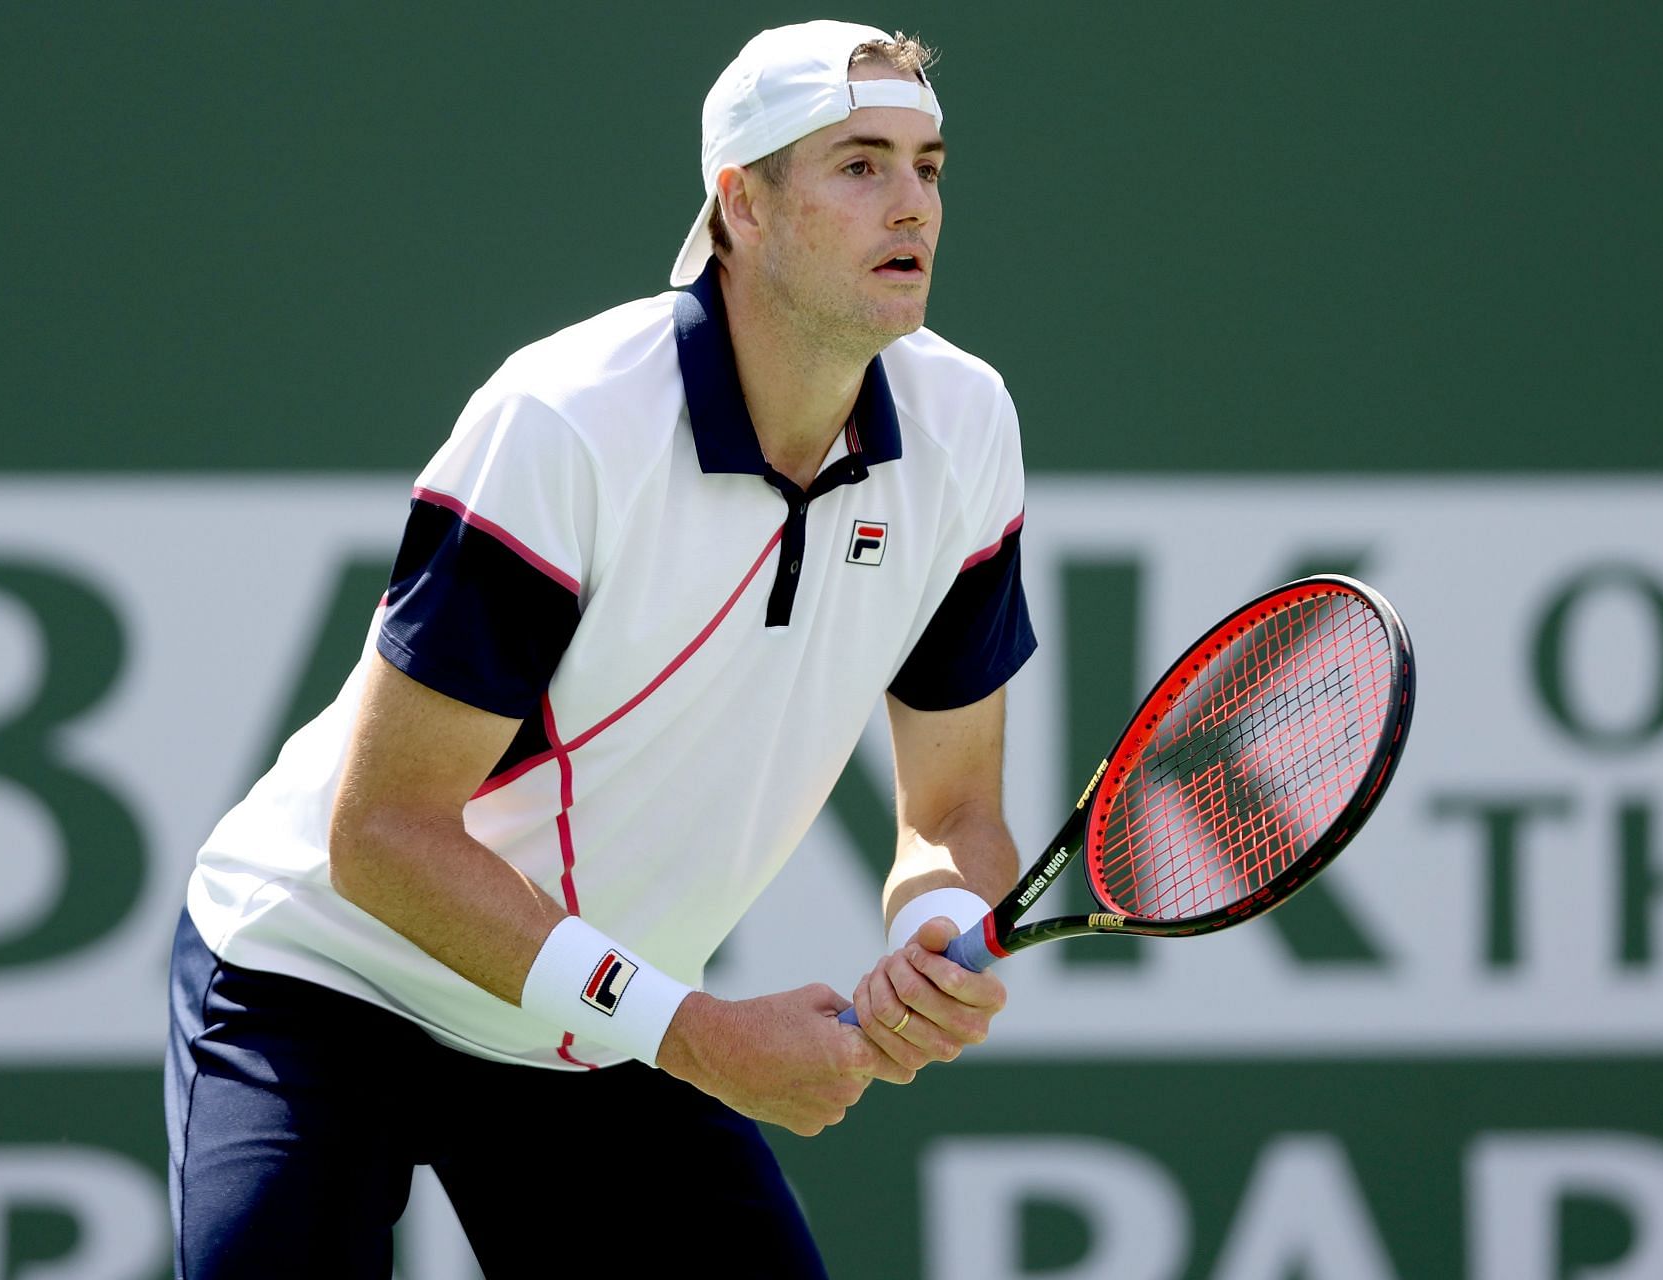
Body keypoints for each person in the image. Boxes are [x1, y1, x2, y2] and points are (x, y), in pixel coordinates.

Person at [165, 19, 1036, 1278]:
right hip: (326, 976)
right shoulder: (566, 424)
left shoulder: (967, 427)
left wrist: (941, 929)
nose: (912, 204)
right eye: (858, 165)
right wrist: (687, 1028)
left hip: (588, 1021)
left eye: (929, 164)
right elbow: (382, 833)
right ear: (739, 203)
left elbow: (954, 805)